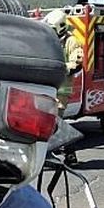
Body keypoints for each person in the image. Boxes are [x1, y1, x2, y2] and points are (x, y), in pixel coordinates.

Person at [44, 9, 84, 165]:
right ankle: (65, 155)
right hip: (48, 87)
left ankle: (69, 155)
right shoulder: (49, 40)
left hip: (61, 90)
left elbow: (78, 63)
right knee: (50, 123)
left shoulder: (71, 41)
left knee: (55, 123)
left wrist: (59, 67)